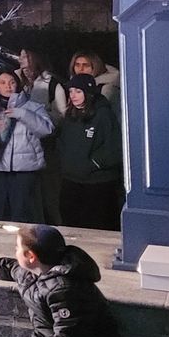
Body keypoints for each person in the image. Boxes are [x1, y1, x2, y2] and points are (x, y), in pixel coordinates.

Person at [54, 76, 122, 230]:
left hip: (97, 184)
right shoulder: (70, 116)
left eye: (78, 91)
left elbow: (115, 147)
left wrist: (94, 163)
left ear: (89, 92)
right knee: (71, 224)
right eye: (71, 91)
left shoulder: (103, 114)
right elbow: (62, 142)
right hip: (71, 181)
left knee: (97, 226)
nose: (73, 95)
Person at [0, 72, 54, 224]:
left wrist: (23, 114)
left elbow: (47, 129)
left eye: (12, 82)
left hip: (25, 168)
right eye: (2, 82)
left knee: (22, 214)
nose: (8, 86)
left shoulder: (32, 106)